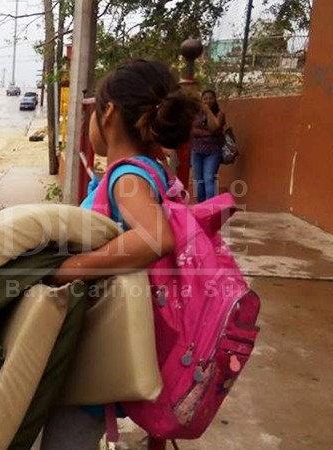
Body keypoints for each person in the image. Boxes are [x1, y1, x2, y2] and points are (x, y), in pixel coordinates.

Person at [42, 59, 198, 449]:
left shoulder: (128, 176)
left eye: (92, 111)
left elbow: (154, 238)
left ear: (108, 112)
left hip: (95, 351)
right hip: (109, 341)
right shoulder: (153, 169)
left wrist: (68, 269)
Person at [191, 89, 226, 203]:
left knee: (209, 178)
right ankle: (201, 204)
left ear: (215, 99)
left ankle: (211, 205)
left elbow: (214, 127)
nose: (208, 101)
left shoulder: (219, 114)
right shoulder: (196, 114)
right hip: (197, 150)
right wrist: (208, 133)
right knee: (198, 179)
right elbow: (192, 130)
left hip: (213, 151)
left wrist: (208, 111)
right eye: (205, 99)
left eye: (210, 98)